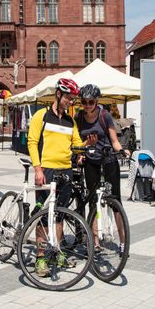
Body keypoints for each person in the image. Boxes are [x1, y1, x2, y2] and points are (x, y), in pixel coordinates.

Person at [27, 78, 97, 277]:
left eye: (73, 98)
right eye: (69, 97)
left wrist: (86, 145)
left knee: (60, 214)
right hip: (46, 169)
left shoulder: (70, 120)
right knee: (43, 215)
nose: (71, 102)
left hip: (65, 170)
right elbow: (32, 143)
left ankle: (56, 251)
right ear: (58, 94)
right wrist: (38, 169)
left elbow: (76, 143)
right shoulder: (42, 116)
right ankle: (40, 258)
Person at [75, 84, 128, 253]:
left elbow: (114, 140)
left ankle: (123, 241)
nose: (87, 105)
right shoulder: (79, 117)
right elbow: (77, 143)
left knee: (115, 202)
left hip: (108, 159)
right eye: (84, 102)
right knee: (92, 202)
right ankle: (95, 240)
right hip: (91, 161)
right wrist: (81, 152)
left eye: (91, 102)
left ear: (96, 101)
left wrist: (121, 150)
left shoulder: (105, 116)